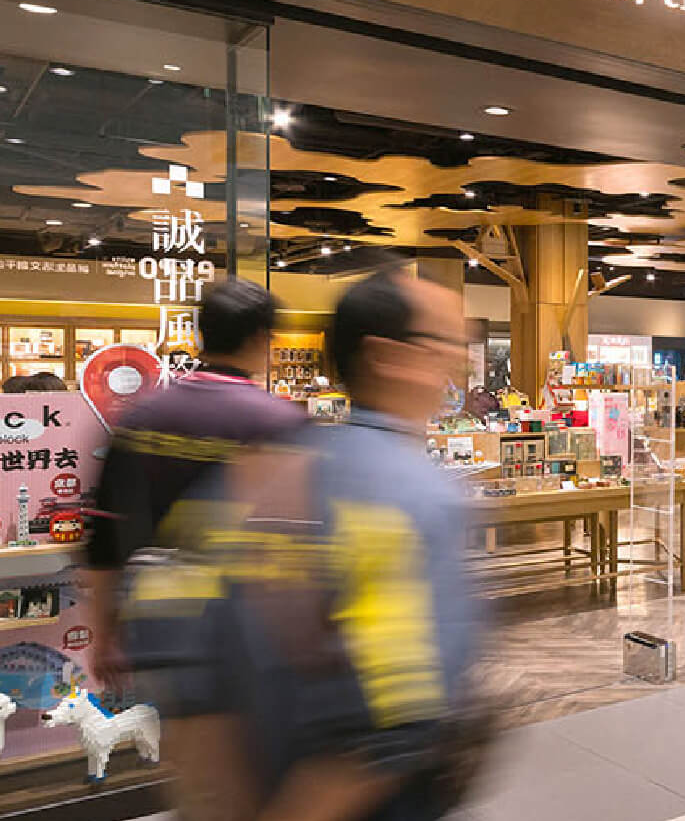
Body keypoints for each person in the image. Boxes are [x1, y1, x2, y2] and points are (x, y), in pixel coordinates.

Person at [154, 262, 480, 821]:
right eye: (445, 345)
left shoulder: (252, 477)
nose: (457, 364)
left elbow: (182, 669)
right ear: (386, 355)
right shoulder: (415, 496)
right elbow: (389, 729)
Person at [86, 278, 304, 683]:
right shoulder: (281, 422)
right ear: (260, 337)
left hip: (159, 623)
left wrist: (105, 634)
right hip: (251, 629)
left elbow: (105, 539)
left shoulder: (142, 417)